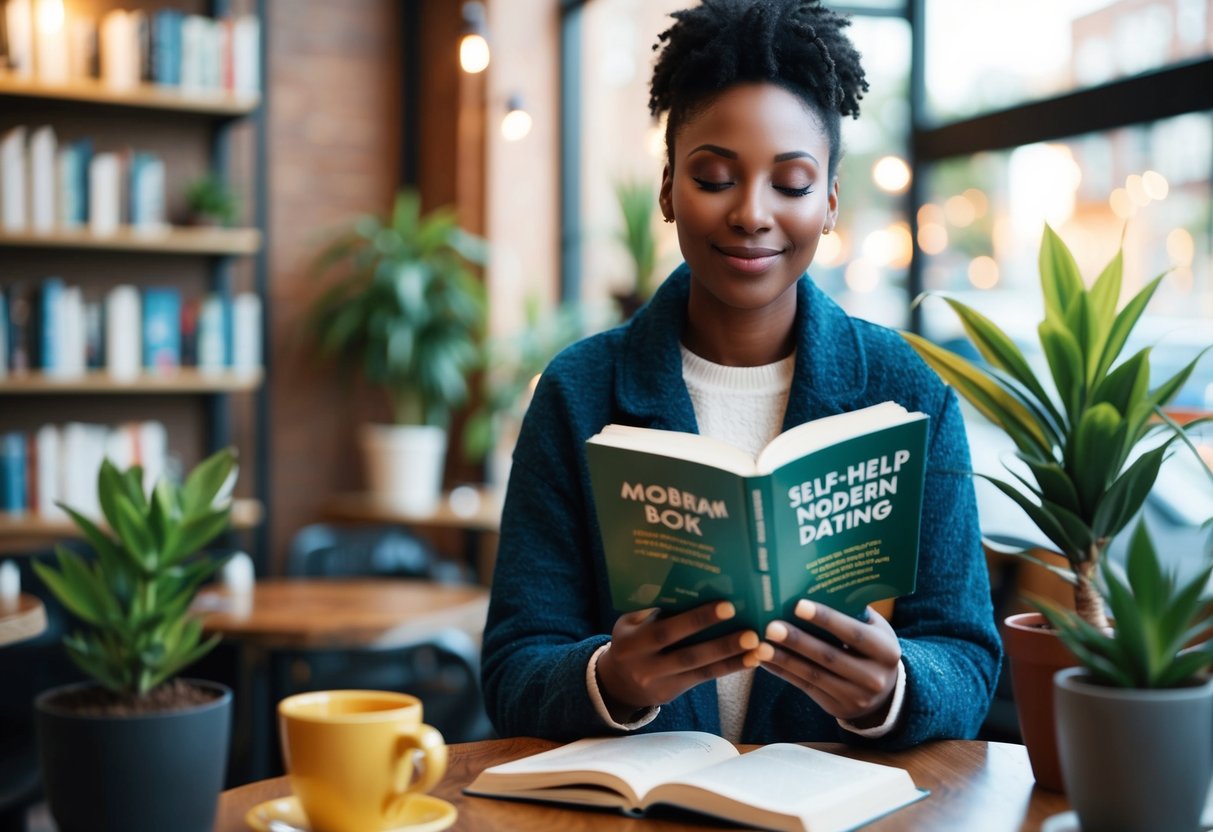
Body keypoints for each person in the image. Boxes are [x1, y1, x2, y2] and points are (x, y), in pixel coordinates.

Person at [481, 0, 1001, 747]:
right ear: (666, 188)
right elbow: (511, 670)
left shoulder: (907, 390)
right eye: (715, 176)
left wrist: (892, 689)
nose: (751, 214)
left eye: (789, 184)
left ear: (828, 201)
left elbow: (967, 659)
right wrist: (611, 680)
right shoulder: (578, 392)